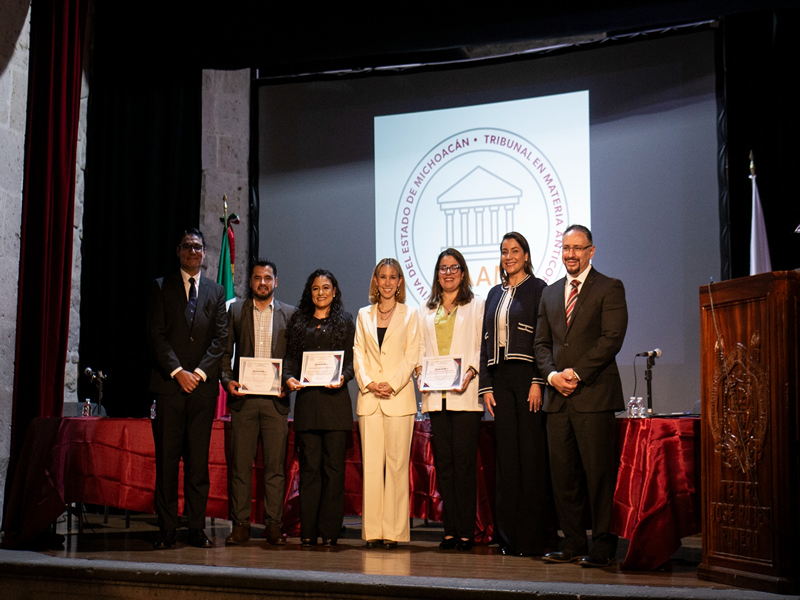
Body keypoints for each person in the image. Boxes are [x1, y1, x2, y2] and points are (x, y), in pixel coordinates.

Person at [534, 224, 628, 568]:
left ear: (591, 251)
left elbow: (611, 338)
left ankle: (603, 545)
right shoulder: (550, 293)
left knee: (599, 476)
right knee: (564, 476)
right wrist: (552, 376)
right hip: (557, 399)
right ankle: (572, 541)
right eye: (566, 248)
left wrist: (576, 373)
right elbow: (541, 344)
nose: (570, 254)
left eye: (577, 248)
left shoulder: (610, 287)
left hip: (594, 396)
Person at [147, 228, 228, 549]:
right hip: (170, 387)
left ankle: (196, 528)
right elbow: (156, 334)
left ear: (205, 253)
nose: (193, 251)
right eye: (187, 246)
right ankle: (167, 530)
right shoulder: (160, 286)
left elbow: (220, 339)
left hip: (202, 391)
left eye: (198, 247)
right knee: (167, 463)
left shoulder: (216, 291)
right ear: (178, 251)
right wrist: (178, 372)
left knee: (197, 465)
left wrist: (199, 374)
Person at [478, 231, 550, 557]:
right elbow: (485, 342)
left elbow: (543, 338)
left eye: (515, 250)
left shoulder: (539, 288)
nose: (509, 256)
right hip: (500, 380)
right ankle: (507, 537)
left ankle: (530, 538)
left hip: (527, 379)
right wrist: (486, 386)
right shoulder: (494, 293)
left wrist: (537, 380)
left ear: (526, 255)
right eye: (504, 251)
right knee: (506, 460)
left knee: (530, 458)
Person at [220, 259, 296, 546]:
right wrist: (227, 381)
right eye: (257, 278)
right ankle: (240, 525)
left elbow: (293, 357)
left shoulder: (290, 314)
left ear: (276, 281)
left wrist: (287, 380)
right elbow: (224, 352)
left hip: (276, 402)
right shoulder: (236, 311)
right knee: (240, 466)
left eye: (267, 278)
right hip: (244, 401)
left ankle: (273, 525)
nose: (262, 283)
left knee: (275, 468)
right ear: (250, 282)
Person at [417, 249, 484, 551]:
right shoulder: (426, 309)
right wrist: (420, 372)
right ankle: (450, 531)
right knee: (444, 465)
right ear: (437, 274)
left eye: (454, 267)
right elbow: (420, 348)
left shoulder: (476, 304)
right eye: (443, 268)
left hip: (465, 397)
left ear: (463, 272)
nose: (448, 273)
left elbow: (482, 347)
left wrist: (470, 371)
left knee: (464, 466)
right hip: (436, 398)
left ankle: (466, 532)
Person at [284, 269, 355, 547]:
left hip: (335, 406)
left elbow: (352, 362)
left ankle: (330, 532)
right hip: (308, 406)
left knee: (334, 471)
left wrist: (344, 377)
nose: (321, 292)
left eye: (326, 288)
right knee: (309, 471)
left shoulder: (345, 321)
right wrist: (288, 378)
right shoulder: (299, 321)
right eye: (315, 288)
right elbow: (290, 360)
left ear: (334, 292)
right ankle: (308, 531)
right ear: (309, 292)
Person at [353, 258, 420, 549]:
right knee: (371, 467)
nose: (388, 282)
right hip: (370, 399)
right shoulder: (363, 314)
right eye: (383, 277)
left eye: (393, 277)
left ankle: (393, 532)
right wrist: (369, 383)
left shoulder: (410, 313)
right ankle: (372, 531)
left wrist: (391, 384)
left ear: (400, 282)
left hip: (398, 398)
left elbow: (412, 355)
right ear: (375, 281)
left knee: (396, 467)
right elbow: (358, 353)